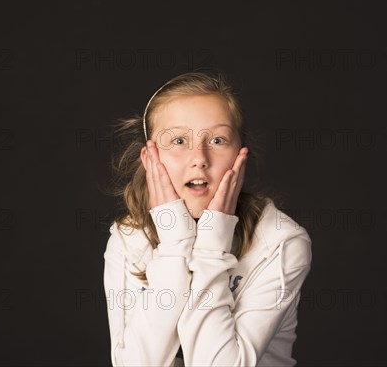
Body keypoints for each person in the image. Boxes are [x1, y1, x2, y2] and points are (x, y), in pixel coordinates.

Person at [103, 71, 312, 366]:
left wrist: (212, 244)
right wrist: (175, 244)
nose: (199, 157)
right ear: (150, 160)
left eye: (217, 139)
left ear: (241, 154)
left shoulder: (280, 242)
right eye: (178, 140)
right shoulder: (128, 240)